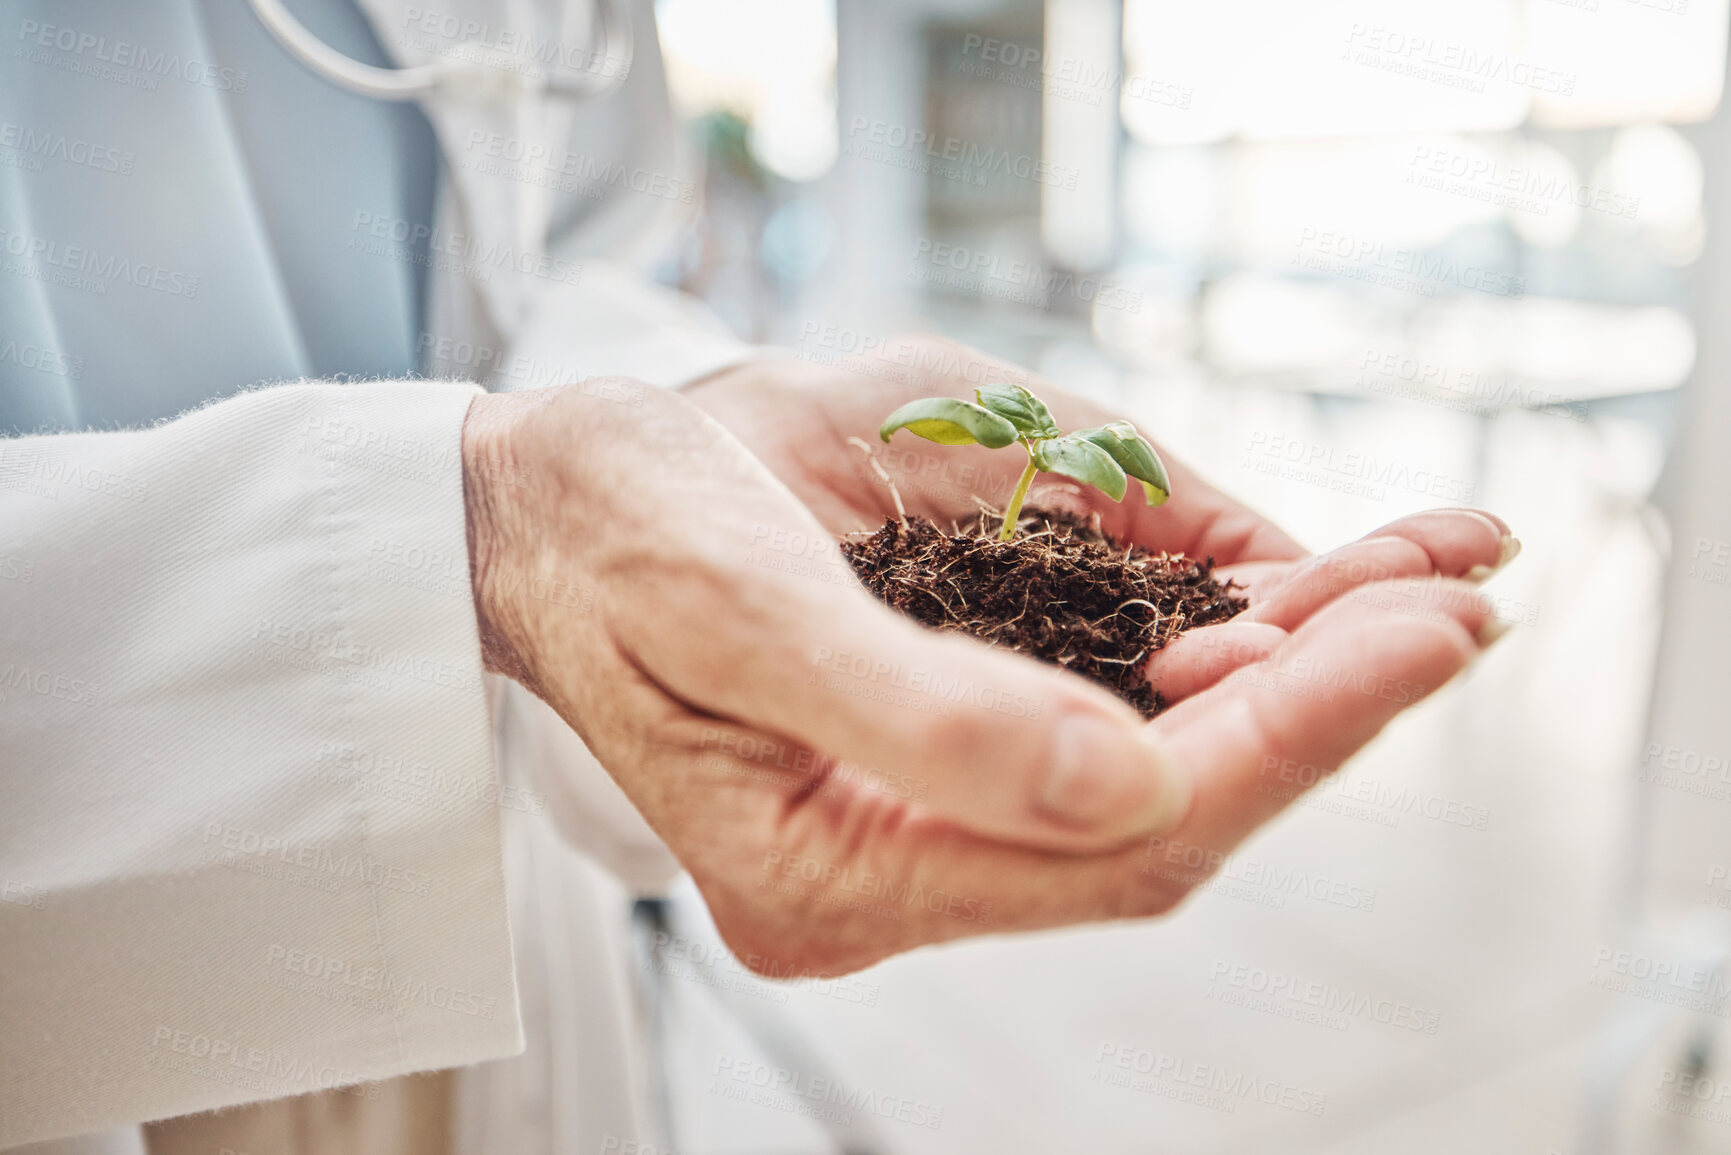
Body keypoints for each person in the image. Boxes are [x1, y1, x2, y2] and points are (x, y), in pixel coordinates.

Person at [0, 0, 1516, 1150]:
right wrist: (474, 536)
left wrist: (705, 420)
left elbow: (550, 277)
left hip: (501, 921)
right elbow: (513, 480)